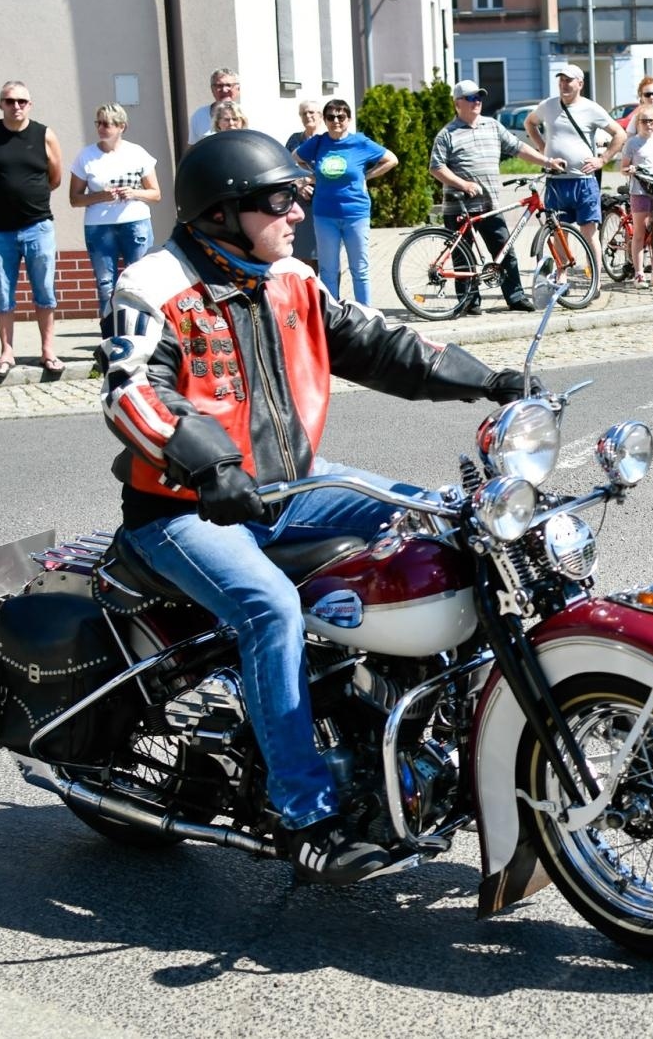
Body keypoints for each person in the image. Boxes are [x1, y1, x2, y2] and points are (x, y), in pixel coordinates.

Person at [100, 130, 534, 885]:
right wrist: (208, 463)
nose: (298, 211)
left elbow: (385, 347)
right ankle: (305, 812)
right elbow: (132, 392)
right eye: (280, 200)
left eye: (298, 196)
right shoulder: (155, 285)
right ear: (224, 213)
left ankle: (445, 726)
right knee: (269, 607)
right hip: (184, 509)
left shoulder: (291, 279)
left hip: (293, 486)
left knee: (447, 520)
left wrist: (491, 381)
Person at [428, 79, 563, 314]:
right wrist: (463, 184)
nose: (477, 101)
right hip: (459, 205)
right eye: (471, 98)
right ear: (458, 103)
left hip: (490, 204)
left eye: (479, 97)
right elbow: (436, 167)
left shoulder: (492, 126)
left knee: (504, 250)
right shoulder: (446, 134)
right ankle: (470, 302)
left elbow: (519, 148)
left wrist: (547, 161)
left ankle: (516, 297)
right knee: (464, 256)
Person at [0, 80, 64, 377]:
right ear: (1, 104)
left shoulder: (44, 134)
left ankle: (48, 350)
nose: (16, 107)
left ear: (30, 104)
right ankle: (6, 352)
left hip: (38, 226)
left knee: (45, 292)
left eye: (22, 101)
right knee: (2, 294)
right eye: (10, 101)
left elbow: (55, 177)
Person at [292, 99, 396, 306]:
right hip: (324, 214)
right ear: (326, 120)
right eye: (331, 117)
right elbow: (295, 157)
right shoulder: (319, 142)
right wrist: (311, 175)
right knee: (328, 270)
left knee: (360, 268)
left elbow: (391, 159)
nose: (336, 121)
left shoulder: (360, 142)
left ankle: (366, 315)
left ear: (349, 119)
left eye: (341, 117)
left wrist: (366, 176)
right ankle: (334, 316)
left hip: (355, 214)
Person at [69, 103, 161, 336]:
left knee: (138, 281)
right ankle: (110, 337)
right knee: (106, 283)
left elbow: (156, 194)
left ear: (122, 126)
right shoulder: (87, 155)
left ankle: (143, 334)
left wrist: (134, 193)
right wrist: (101, 195)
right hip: (99, 227)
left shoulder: (137, 153)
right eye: (98, 122)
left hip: (134, 222)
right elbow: (75, 199)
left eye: (107, 123)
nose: (101, 128)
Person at [525, 63, 625, 251]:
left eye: (568, 81)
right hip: (556, 181)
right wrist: (541, 147)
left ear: (580, 83)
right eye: (561, 80)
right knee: (558, 232)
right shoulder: (548, 105)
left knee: (589, 232)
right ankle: (562, 275)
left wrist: (602, 159)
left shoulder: (591, 108)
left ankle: (596, 279)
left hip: (584, 181)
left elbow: (619, 134)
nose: (564, 84)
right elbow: (530, 122)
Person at [620, 106, 653, 288]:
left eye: (652, 121)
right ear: (637, 123)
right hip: (639, 190)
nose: (648, 124)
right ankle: (639, 274)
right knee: (640, 233)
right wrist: (630, 169)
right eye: (644, 121)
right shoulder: (632, 143)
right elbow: (623, 168)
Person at [283, 101, 324, 269]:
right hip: (302, 202)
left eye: (312, 112)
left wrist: (309, 180)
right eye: (304, 113)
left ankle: (329, 293)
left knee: (327, 256)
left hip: (325, 200)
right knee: (304, 255)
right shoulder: (294, 140)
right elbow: (285, 168)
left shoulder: (328, 140)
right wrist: (297, 184)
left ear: (321, 116)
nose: (308, 116)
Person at [189, 69, 240, 145]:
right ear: (212, 89)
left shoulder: (248, 115)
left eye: (229, 85)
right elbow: (193, 149)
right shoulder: (199, 116)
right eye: (219, 86)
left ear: (238, 88)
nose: (224, 90)